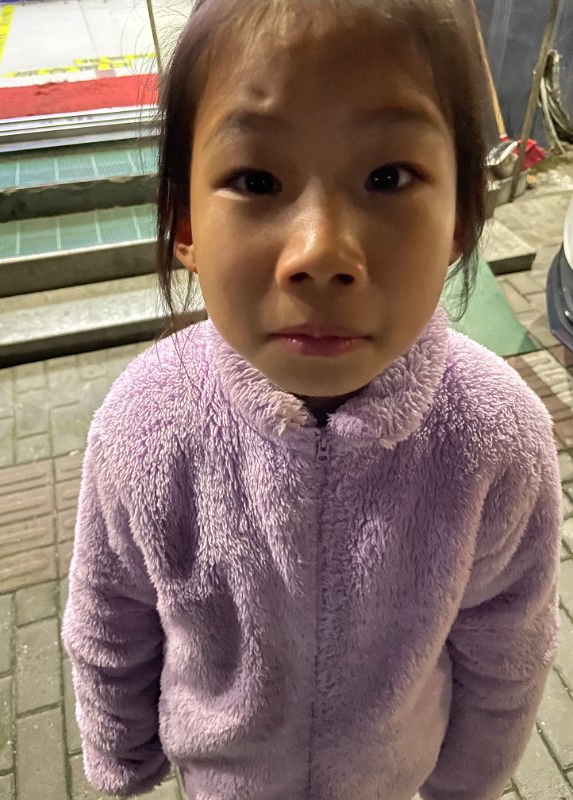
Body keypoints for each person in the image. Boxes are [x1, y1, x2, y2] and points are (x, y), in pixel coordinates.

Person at [61, 1, 562, 799]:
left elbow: (509, 647)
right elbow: (108, 619)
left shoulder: (495, 438)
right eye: (256, 180)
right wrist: (121, 758)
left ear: (461, 218)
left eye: (387, 177)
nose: (321, 251)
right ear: (186, 225)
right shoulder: (144, 426)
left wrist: (468, 783)